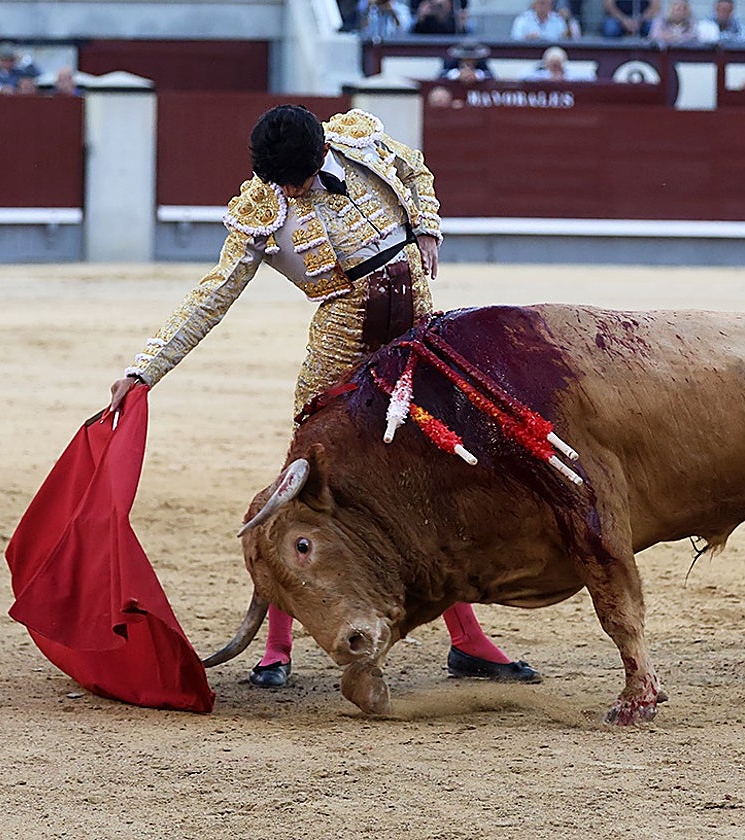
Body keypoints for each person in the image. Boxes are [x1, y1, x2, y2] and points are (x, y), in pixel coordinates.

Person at [107, 105, 540, 688]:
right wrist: (143, 371)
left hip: (418, 335)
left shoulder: (359, 142)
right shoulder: (263, 211)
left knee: (434, 478)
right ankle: (276, 646)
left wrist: (428, 227)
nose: (296, 190)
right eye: (285, 182)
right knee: (308, 488)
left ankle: (468, 642)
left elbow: (416, 172)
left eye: (302, 177)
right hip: (342, 347)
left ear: (320, 154)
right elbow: (212, 296)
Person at [510, 0, 581, 40]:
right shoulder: (523, 20)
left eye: (547, 3)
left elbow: (572, 38)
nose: (544, 6)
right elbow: (515, 38)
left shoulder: (558, 20)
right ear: (535, 4)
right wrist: (526, 38)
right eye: (541, 3)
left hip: (552, 54)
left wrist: (567, 21)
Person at [524, 46, 591, 80]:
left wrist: (564, 79)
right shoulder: (541, 74)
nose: (555, 66)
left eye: (557, 63)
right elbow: (523, 76)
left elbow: (590, 77)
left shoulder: (570, 74)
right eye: (553, 64)